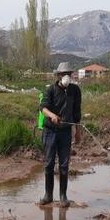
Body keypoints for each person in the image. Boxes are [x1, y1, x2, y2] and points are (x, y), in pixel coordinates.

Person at [39, 62, 82, 207]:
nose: (67, 77)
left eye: (69, 74)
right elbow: (43, 108)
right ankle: (48, 195)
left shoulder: (75, 91)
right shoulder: (50, 90)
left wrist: (77, 132)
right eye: (64, 74)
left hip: (65, 132)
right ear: (58, 76)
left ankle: (63, 196)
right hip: (50, 131)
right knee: (49, 163)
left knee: (64, 165)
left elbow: (77, 113)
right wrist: (52, 115)